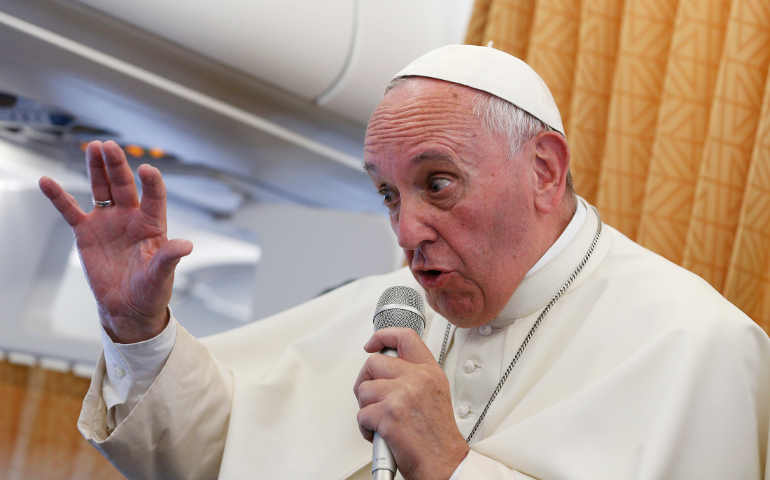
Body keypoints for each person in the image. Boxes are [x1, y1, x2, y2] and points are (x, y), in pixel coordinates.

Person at [39, 45, 769, 479]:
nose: (406, 229)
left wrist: (452, 464)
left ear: (544, 170)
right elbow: (216, 455)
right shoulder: (385, 305)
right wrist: (135, 326)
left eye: (437, 183)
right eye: (388, 193)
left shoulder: (697, 345)